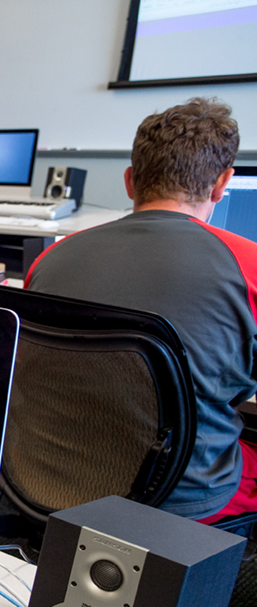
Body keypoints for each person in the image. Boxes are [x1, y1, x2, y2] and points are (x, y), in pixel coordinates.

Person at [25, 97, 257, 524]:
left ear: (131, 181)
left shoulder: (50, 257)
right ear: (223, 183)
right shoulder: (248, 265)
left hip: (41, 484)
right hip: (179, 504)